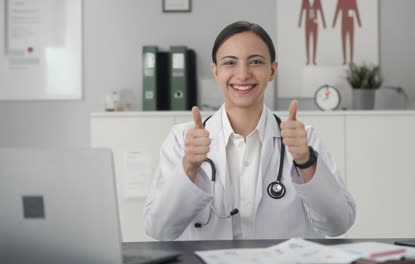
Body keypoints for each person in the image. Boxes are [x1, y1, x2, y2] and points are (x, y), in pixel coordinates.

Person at [144, 21, 356, 241]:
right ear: (216, 72)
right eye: (230, 63)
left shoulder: (303, 140)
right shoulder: (182, 140)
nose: (243, 74)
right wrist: (189, 168)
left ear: (272, 70)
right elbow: (159, 229)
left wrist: (305, 162)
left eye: (255, 61)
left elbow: (338, 224)